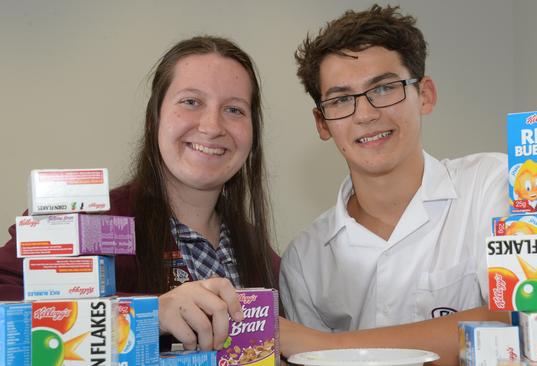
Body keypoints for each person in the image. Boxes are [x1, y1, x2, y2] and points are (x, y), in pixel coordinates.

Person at [0, 36, 278, 352]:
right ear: (153, 119)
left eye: (233, 109)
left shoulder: (261, 254)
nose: (212, 126)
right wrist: (145, 315)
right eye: (191, 101)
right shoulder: (84, 227)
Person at [278, 5, 510, 364]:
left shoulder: (491, 185)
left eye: (384, 88)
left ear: (426, 95)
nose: (366, 114)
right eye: (340, 100)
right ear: (322, 123)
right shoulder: (305, 260)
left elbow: (518, 321)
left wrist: (324, 345)